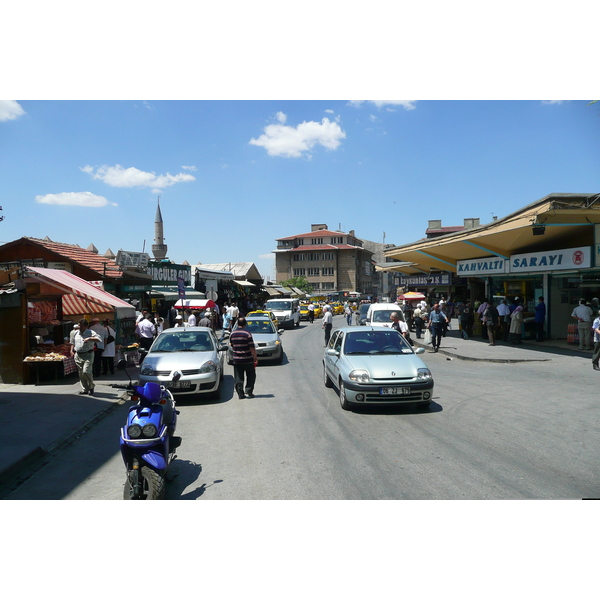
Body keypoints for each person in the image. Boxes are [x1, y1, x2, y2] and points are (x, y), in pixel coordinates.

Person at [229, 317, 258, 399]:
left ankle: (240, 394)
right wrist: (255, 357)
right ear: (245, 324)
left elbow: (231, 344)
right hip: (248, 359)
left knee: (238, 377)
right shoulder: (247, 334)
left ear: (238, 324)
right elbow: (252, 347)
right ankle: (248, 390)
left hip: (237, 360)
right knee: (251, 375)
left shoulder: (232, 333)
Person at [71, 319, 102, 395]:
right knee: (81, 373)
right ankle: (84, 389)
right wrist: (71, 350)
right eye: (79, 325)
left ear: (86, 326)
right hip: (78, 355)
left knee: (86, 371)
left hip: (88, 354)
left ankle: (91, 386)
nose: (79, 327)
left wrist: (89, 338)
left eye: (81, 325)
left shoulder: (90, 332)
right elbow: (72, 342)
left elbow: (99, 339)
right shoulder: (76, 333)